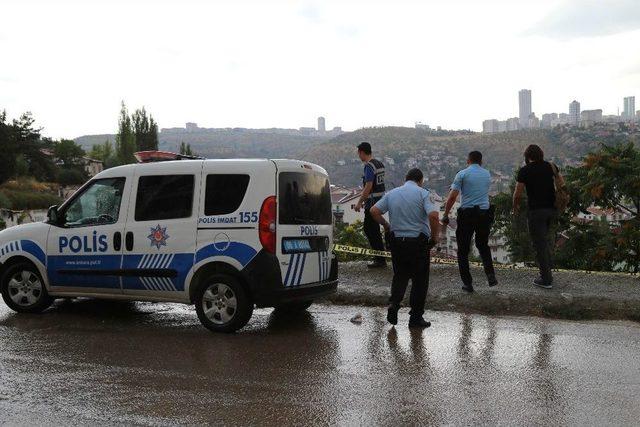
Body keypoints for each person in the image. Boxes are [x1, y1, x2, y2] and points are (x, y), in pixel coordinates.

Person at [369, 168, 440, 328]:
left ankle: (394, 304)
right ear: (420, 180)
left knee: (400, 275)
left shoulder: (392, 193)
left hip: (397, 241)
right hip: (418, 242)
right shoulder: (424, 193)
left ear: (405, 179)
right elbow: (434, 216)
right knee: (420, 280)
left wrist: (386, 225)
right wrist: (435, 238)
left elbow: (374, 211)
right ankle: (415, 318)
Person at [442, 151, 497, 292]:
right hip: (485, 214)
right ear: (481, 161)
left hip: (467, 215)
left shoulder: (462, 174)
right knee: (483, 245)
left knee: (463, 250)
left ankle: (468, 283)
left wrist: (446, 214)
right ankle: (490, 275)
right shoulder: (487, 174)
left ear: (468, 160)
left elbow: (452, 197)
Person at [512, 144, 564, 289]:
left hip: (536, 212)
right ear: (541, 154)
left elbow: (517, 194)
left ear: (527, 156)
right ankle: (548, 270)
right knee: (545, 240)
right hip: (551, 210)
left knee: (539, 244)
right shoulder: (551, 166)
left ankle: (546, 279)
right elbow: (561, 183)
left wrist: (515, 208)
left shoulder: (525, 171)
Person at [354, 142, 387, 268]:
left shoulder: (369, 166)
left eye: (359, 153)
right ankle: (380, 257)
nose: (358, 156)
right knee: (374, 229)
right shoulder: (379, 164)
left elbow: (368, 186)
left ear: (362, 152)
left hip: (372, 202)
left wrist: (359, 203)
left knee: (369, 229)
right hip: (380, 200)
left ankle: (380, 259)